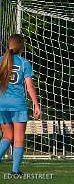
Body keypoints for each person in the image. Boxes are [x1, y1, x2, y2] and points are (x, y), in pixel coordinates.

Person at [0, 34, 41, 175]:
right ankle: (15, 171)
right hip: (18, 104)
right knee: (18, 139)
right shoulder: (24, 63)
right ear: (21, 47)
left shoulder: (1, 61)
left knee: (7, 137)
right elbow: (29, 86)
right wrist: (36, 104)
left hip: (2, 104)